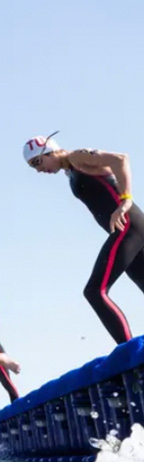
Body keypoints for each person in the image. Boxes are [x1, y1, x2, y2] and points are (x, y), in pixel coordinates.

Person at [24, 133, 143, 344]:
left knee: (95, 291)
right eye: (34, 167)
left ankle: (131, 358)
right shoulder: (70, 170)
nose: (39, 170)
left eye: (38, 162)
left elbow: (120, 159)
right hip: (131, 230)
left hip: (128, 228)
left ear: (50, 150)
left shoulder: (77, 157)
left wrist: (125, 200)